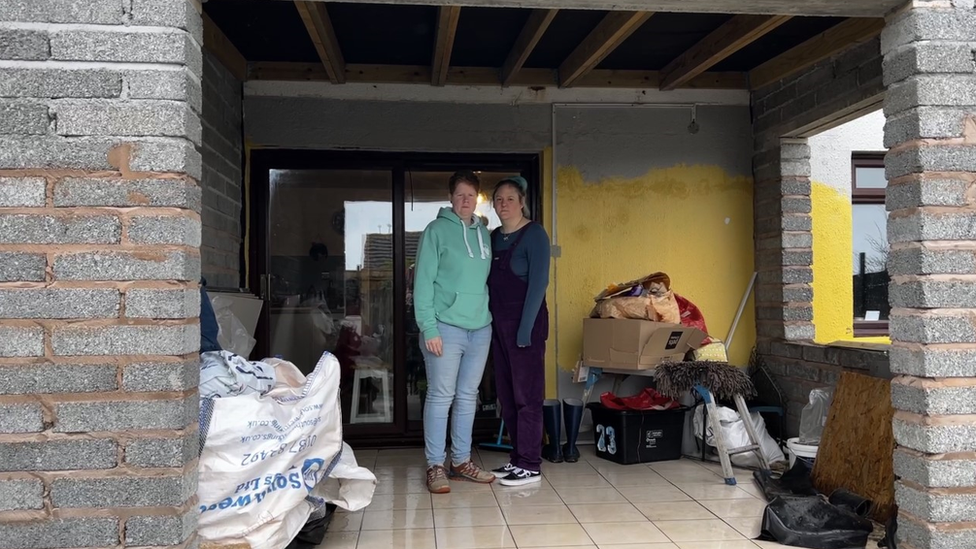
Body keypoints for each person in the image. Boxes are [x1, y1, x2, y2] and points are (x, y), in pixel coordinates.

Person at [413, 170, 495, 493]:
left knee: (467, 397)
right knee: (440, 395)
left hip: (480, 328)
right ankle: (435, 464)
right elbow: (422, 284)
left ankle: (460, 461)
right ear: (450, 197)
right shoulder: (435, 231)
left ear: (477, 199)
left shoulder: (484, 234)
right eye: (460, 195)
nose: (465, 201)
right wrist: (428, 327)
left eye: (471, 196)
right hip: (444, 328)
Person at [487, 176, 551, 486]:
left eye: (510, 199)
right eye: (498, 199)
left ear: (522, 202)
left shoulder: (535, 234)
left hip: (526, 326)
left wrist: (524, 330)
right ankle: (516, 458)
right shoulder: (493, 237)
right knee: (508, 396)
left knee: (528, 396)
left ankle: (530, 463)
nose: (503, 204)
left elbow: (539, 284)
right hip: (499, 329)